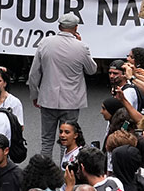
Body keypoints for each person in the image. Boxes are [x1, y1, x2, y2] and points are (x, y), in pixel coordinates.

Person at [27, 13, 97, 158]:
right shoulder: (81, 46)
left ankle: (43, 174)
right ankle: (65, 173)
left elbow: (34, 74)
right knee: (67, 142)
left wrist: (35, 94)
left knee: (46, 141)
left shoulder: (45, 43)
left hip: (48, 98)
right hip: (72, 101)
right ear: (76, 28)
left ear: (59, 27)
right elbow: (92, 70)